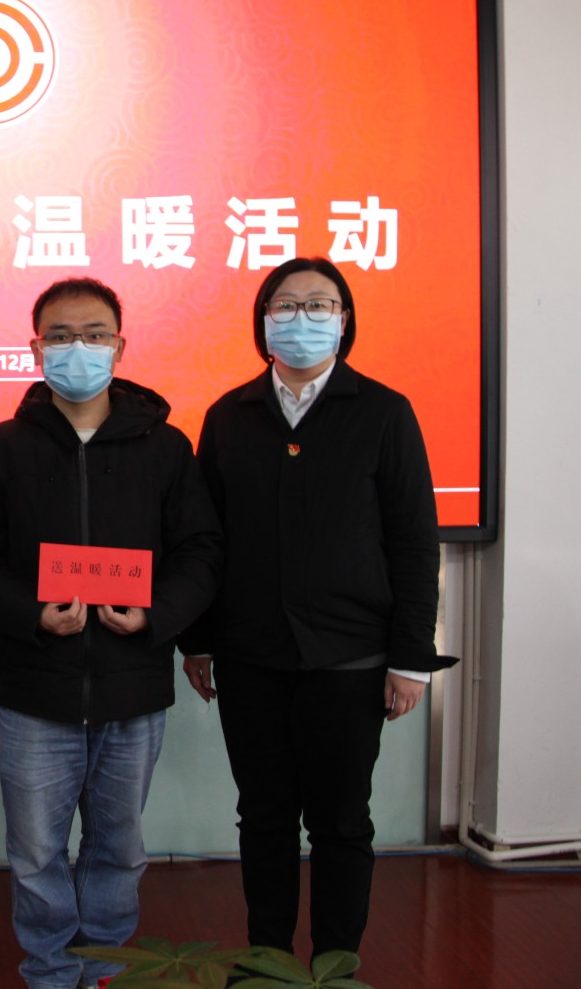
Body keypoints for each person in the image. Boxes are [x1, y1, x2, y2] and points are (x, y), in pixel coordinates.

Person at [180, 256, 455, 964]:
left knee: (342, 822)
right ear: (263, 320)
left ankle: (335, 967)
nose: (300, 318)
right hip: (251, 653)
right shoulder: (229, 415)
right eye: (285, 305)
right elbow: (205, 540)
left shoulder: (384, 412)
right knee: (264, 818)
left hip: (352, 657)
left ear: (344, 320)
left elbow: (414, 542)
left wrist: (411, 658)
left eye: (319, 305)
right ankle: (268, 963)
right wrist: (198, 641)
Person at [0, 277, 222, 989]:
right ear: (36, 347)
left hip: (132, 689)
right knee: (35, 853)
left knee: (119, 850)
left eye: (95, 334)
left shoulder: (166, 448)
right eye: (62, 336)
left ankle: (104, 968)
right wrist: (32, 613)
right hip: (34, 689)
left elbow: (200, 553)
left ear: (120, 345)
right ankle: (48, 970)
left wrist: (156, 615)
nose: (79, 347)